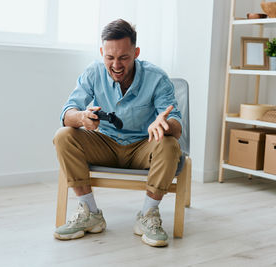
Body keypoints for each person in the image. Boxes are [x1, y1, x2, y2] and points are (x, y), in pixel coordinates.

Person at [53, 19, 182, 247]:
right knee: (63, 135)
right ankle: (90, 213)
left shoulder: (157, 78)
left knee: (170, 144)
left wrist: (164, 124)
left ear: (136, 52)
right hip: (105, 143)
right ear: (102, 52)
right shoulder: (93, 72)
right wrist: (81, 117)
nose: (116, 65)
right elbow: (67, 113)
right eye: (110, 57)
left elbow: (176, 125)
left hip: (144, 146)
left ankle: (148, 215)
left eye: (124, 57)